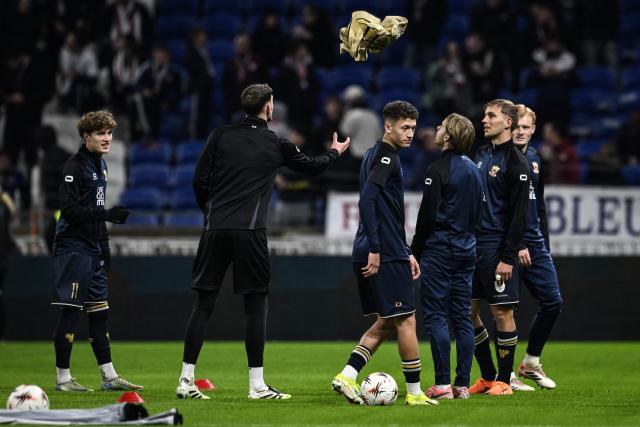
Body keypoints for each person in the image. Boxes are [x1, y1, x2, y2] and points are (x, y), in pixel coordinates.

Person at [175, 83, 350, 400]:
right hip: (250, 231)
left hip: (214, 229)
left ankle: (186, 380)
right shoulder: (275, 143)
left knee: (203, 303)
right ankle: (256, 386)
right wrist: (335, 151)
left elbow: (199, 180)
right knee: (255, 306)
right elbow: (314, 167)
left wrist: (211, 213)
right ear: (269, 107)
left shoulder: (220, 135)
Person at [331, 101, 438, 407]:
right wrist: (379, 249)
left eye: (413, 129)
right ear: (387, 126)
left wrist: (405, 252)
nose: (410, 134)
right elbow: (366, 201)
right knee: (406, 320)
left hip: (385, 248)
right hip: (382, 251)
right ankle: (415, 393)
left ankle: (347, 375)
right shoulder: (388, 158)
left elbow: (384, 211)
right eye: (404, 127)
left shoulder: (372, 155)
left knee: (388, 321)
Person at [51, 110, 141, 392]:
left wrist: (105, 248)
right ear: (85, 136)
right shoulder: (73, 167)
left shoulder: (100, 166)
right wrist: (107, 215)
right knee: (71, 313)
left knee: (99, 313)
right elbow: (69, 209)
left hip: (93, 248)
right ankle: (63, 379)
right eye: (100, 133)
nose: (107, 138)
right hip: (73, 246)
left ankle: (109, 376)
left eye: (109, 133)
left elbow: (95, 211)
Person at [410, 113, 483, 400]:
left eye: (441, 126)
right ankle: (462, 384)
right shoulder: (475, 171)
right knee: (462, 318)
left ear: (448, 136)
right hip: (467, 249)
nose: (436, 130)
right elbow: (480, 212)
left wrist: (414, 250)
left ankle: (441, 385)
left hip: (440, 250)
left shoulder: (437, 169)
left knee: (436, 316)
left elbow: (427, 216)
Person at [469, 99, 530, 396]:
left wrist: (508, 257)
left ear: (508, 122)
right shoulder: (481, 155)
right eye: (485, 115)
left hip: (496, 247)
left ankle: (505, 381)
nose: (485, 120)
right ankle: (489, 376)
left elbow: (520, 215)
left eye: (491, 115)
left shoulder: (516, 162)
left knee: (502, 312)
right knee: (467, 312)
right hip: (474, 246)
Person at [510, 104, 563, 389]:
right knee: (507, 309)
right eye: (516, 126)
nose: (520, 131)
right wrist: (516, 244)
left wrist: (544, 241)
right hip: (510, 244)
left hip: (536, 242)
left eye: (525, 127)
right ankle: (505, 375)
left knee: (553, 302)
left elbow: (538, 204)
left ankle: (531, 362)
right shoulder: (501, 159)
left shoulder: (535, 158)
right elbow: (500, 209)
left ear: (533, 129)